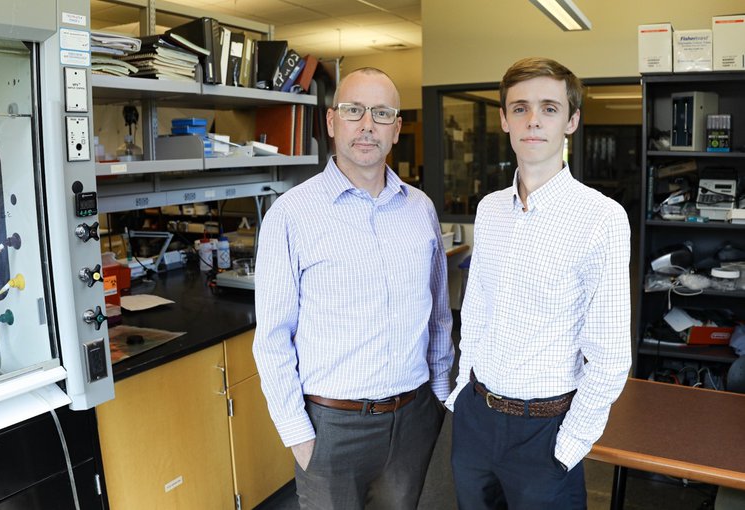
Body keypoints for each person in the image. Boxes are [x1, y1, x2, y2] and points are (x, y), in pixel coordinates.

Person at [253, 67, 454, 510]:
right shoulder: (291, 215)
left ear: (397, 129)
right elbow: (271, 339)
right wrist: (299, 435)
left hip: (413, 418)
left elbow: (439, 316)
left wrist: (438, 398)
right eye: (353, 111)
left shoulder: (420, 209)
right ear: (331, 122)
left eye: (381, 113)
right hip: (331, 427)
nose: (367, 125)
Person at [446, 57, 632, 509]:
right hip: (476, 420)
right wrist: (460, 395)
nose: (533, 120)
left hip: (545, 431)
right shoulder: (489, 209)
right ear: (505, 120)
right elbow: (476, 310)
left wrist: (568, 446)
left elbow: (610, 358)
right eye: (520, 108)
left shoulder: (601, 218)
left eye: (549, 108)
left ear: (571, 121)